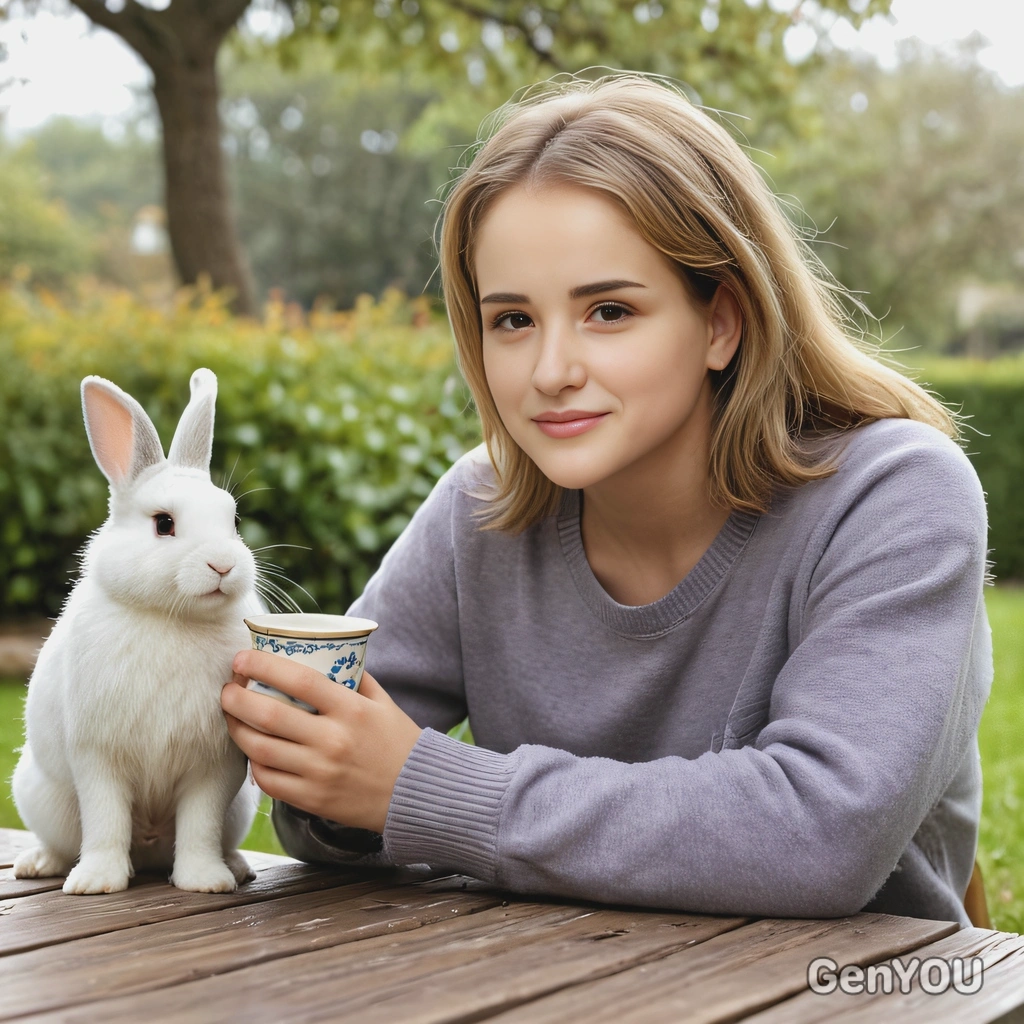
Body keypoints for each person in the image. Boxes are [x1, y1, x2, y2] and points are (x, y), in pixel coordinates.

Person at [221, 74, 993, 926]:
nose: (551, 371)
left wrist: (423, 789)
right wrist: (324, 772)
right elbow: (330, 814)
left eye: (609, 311)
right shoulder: (481, 508)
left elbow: (820, 835)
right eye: (512, 320)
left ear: (721, 323)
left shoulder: (896, 496)